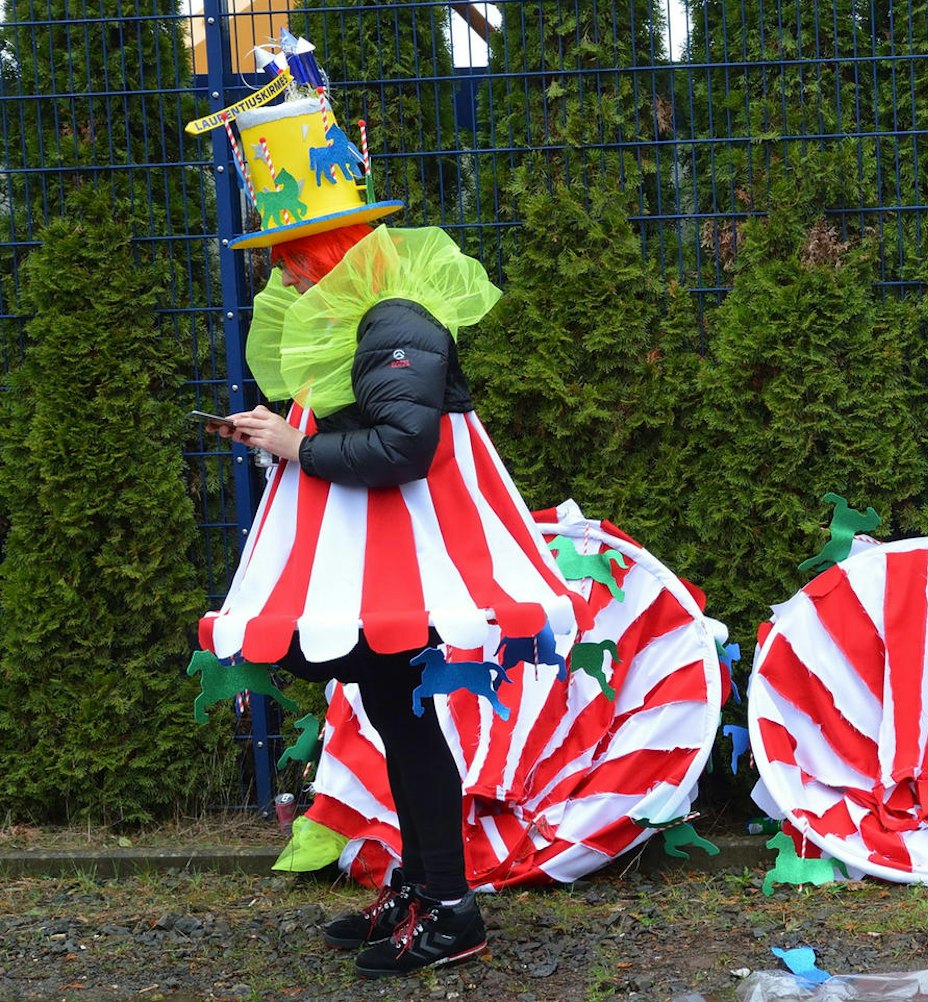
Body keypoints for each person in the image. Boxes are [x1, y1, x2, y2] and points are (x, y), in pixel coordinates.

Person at [191, 74, 583, 980]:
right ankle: (425, 887)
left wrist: (294, 444)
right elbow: (371, 423)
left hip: (408, 561)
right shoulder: (358, 313)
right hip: (380, 560)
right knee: (385, 708)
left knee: (405, 718)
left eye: (293, 248)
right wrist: (296, 440)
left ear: (329, 244)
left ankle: (449, 910)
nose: (282, 267)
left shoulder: (393, 314)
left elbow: (406, 446)